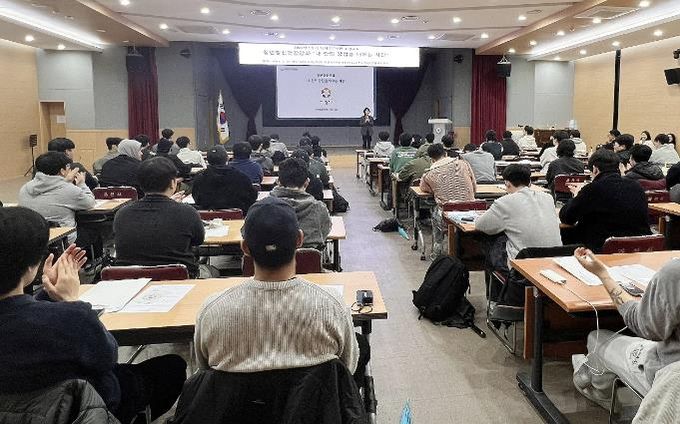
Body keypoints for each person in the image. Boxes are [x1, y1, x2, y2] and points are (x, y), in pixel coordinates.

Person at [0, 207, 187, 424]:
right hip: (86, 407)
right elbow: (107, 357)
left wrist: (48, 294)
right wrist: (71, 300)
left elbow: (23, 314)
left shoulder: (40, 318)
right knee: (172, 368)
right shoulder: (71, 318)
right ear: (32, 266)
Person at [194, 196, 361, 379]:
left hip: (238, 399)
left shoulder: (212, 311)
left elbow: (204, 372)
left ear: (245, 248)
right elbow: (348, 369)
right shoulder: (333, 306)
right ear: (299, 240)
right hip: (314, 398)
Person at [571, 248, 680, 408]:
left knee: (596, 339)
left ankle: (601, 396)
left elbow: (643, 326)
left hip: (670, 382)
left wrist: (602, 274)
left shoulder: (674, 273)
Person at [114, 157, 205, 278]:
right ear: (173, 183)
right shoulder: (188, 212)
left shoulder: (122, 214)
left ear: (140, 184)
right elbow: (198, 240)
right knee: (212, 271)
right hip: (179, 280)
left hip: (131, 281)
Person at [476, 164, 562, 275]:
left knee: (490, 239)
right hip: (555, 261)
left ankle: (497, 283)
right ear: (530, 183)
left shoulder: (504, 202)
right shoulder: (548, 198)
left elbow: (480, 225)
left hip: (523, 265)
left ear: (507, 183)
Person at [559, 149, 651, 252]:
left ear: (595, 169)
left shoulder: (593, 189)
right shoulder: (637, 186)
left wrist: (576, 196)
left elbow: (566, 217)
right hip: (641, 247)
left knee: (566, 232)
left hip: (602, 249)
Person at [19, 152, 95, 243]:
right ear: (62, 171)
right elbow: (90, 203)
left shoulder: (25, 188)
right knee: (93, 232)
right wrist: (82, 184)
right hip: (63, 241)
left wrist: (65, 181)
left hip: (33, 241)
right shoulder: (69, 189)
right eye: (68, 167)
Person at [420, 144, 476, 256]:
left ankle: (437, 251)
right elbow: (474, 186)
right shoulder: (463, 164)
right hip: (472, 212)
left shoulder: (429, 174)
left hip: (447, 217)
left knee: (435, 213)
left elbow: (424, 188)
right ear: (445, 153)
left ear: (431, 159)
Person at [270, 158, 331, 249]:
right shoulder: (319, 208)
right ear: (307, 183)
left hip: (273, 257)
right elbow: (324, 233)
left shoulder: (261, 208)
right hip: (309, 257)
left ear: (278, 182)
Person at [191, 145, 257, 214]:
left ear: (207, 160)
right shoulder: (241, 177)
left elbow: (197, 199)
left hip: (207, 218)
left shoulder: (199, 178)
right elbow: (251, 198)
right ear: (227, 158)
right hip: (237, 218)